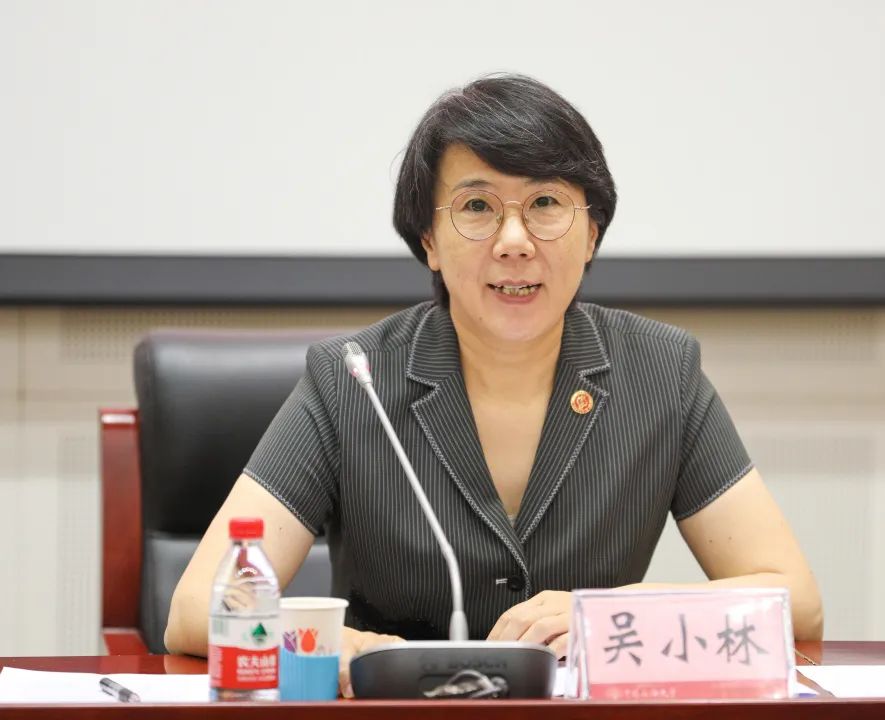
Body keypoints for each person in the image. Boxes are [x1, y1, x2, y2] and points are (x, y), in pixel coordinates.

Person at [164, 74, 823, 695]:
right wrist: (336, 645)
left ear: (591, 233)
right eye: (477, 206)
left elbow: (794, 600)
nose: (514, 241)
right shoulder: (352, 381)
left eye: (546, 204)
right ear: (429, 239)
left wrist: (605, 617)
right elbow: (198, 609)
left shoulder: (661, 374)